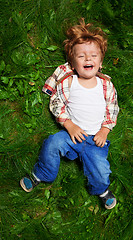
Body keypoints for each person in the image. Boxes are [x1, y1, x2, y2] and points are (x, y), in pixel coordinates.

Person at [20, 19, 119, 209]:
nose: (88, 59)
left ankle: (101, 189)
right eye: (81, 56)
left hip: (95, 140)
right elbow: (56, 102)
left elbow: (112, 108)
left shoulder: (106, 85)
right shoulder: (69, 82)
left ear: (100, 62)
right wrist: (68, 124)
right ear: (72, 63)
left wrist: (105, 130)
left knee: (101, 169)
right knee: (51, 143)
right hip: (71, 135)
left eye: (93, 56)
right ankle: (42, 174)